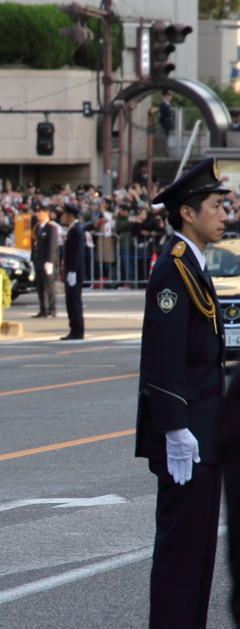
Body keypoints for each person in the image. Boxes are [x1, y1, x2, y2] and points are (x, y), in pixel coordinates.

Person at [136, 157, 227, 629]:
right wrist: (174, 427)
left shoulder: (191, 264)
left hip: (202, 435)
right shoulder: (173, 268)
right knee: (181, 554)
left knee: (197, 554)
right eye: (216, 205)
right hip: (185, 439)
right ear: (188, 213)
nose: (224, 214)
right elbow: (163, 353)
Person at [61, 203, 85, 340]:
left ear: (70, 215)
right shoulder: (73, 228)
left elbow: (76, 252)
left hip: (74, 272)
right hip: (72, 271)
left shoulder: (76, 229)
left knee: (74, 302)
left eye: (65, 214)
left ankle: (77, 331)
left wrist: (73, 271)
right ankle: (74, 330)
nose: (63, 216)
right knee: (71, 302)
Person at [31, 202, 58, 318]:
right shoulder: (37, 227)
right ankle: (43, 309)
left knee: (49, 286)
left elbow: (52, 246)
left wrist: (50, 261)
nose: (37, 214)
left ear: (46, 213)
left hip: (46, 261)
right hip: (38, 261)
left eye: (40, 212)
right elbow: (35, 245)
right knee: (40, 287)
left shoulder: (51, 227)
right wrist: (33, 259)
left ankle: (52, 309)